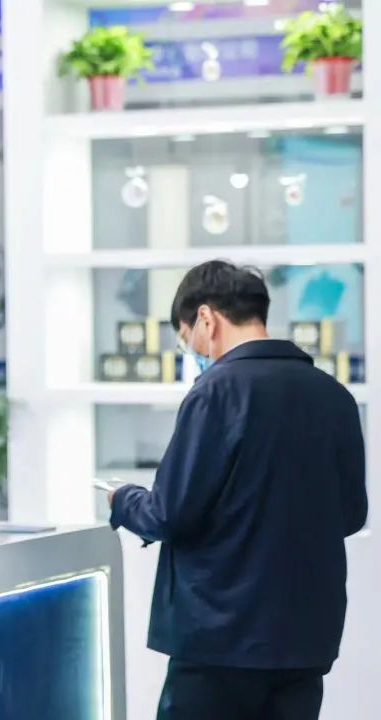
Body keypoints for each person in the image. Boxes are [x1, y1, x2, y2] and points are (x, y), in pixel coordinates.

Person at [108, 260, 367, 720]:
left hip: (219, 642)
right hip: (305, 640)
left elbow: (169, 513)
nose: (193, 351)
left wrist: (122, 499)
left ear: (206, 319)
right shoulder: (334, 397)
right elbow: (351, 514)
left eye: (186, 338)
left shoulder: (216, 393)